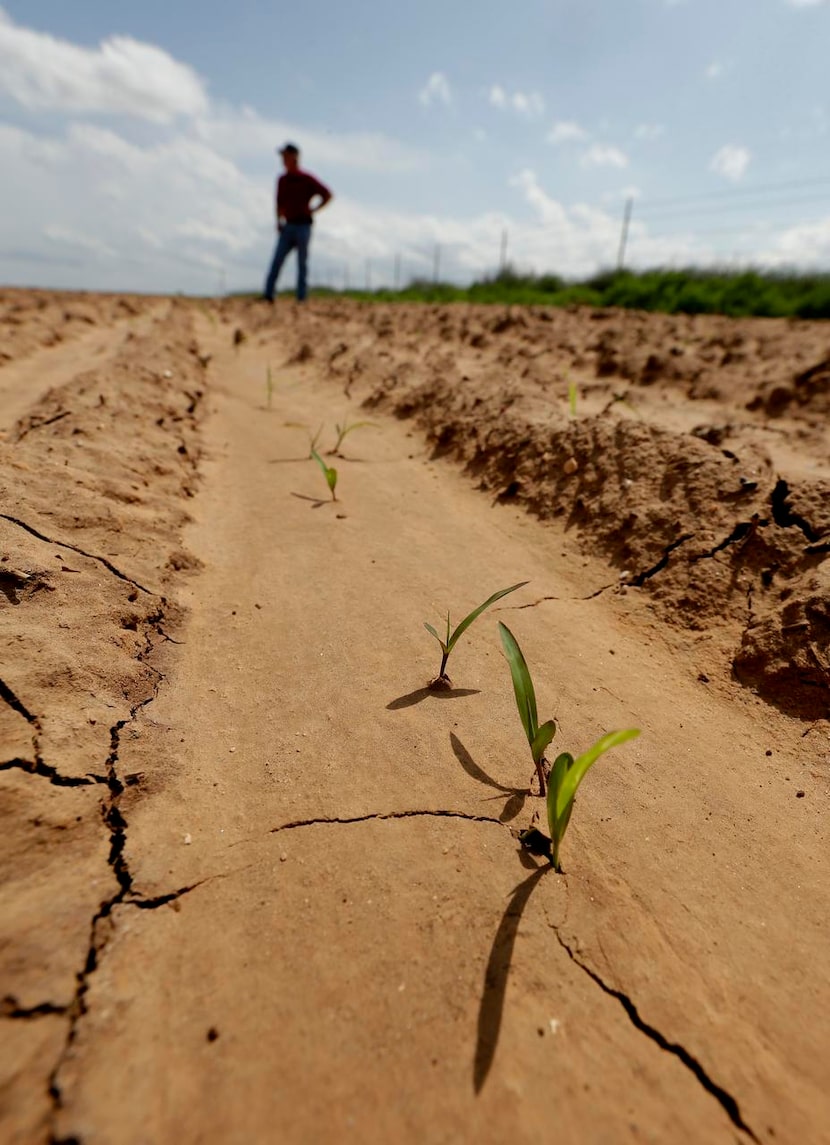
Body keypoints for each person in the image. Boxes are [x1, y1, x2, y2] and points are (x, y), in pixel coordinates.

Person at [262, 143, 333, 303]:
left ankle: (302, 297)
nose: (283, 159)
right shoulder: (282, 180)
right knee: (277, 260)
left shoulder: (306, 179)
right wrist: (278, 221)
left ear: (294, 157)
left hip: (303, 226)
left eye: (285, 156)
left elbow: (327, 194)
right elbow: (278, 204)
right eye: (282, 156)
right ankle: (268, 294)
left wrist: (314, 210)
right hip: (288, 225)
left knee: (302, 263)